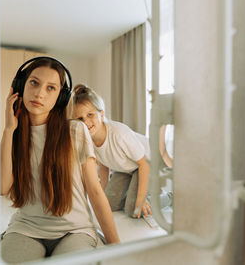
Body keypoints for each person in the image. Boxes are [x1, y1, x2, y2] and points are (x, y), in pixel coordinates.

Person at [0, 57, 120, 264]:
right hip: (25, 228)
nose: (39, 93)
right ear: (21, 86)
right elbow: (2, 188)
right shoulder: (14, 135)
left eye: (51, 88)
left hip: (75, 231)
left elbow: (95, 190)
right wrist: (9, 129)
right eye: (34, 83)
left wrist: (117, 248)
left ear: (61, 97)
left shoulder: (76, 130)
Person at [71, 84, 172, 219]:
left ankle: (170, 197)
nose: (86, 122)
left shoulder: (119, 133)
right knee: (109, 205)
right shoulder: (88, 139)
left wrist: (140, 199)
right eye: (80, 119)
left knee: (134, 209)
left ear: (101, 114)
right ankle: (133, 193)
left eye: (90, 115)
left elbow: (144, 164)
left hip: (146, 164)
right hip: (125, 169)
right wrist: (103, 194)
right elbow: (103, 166)